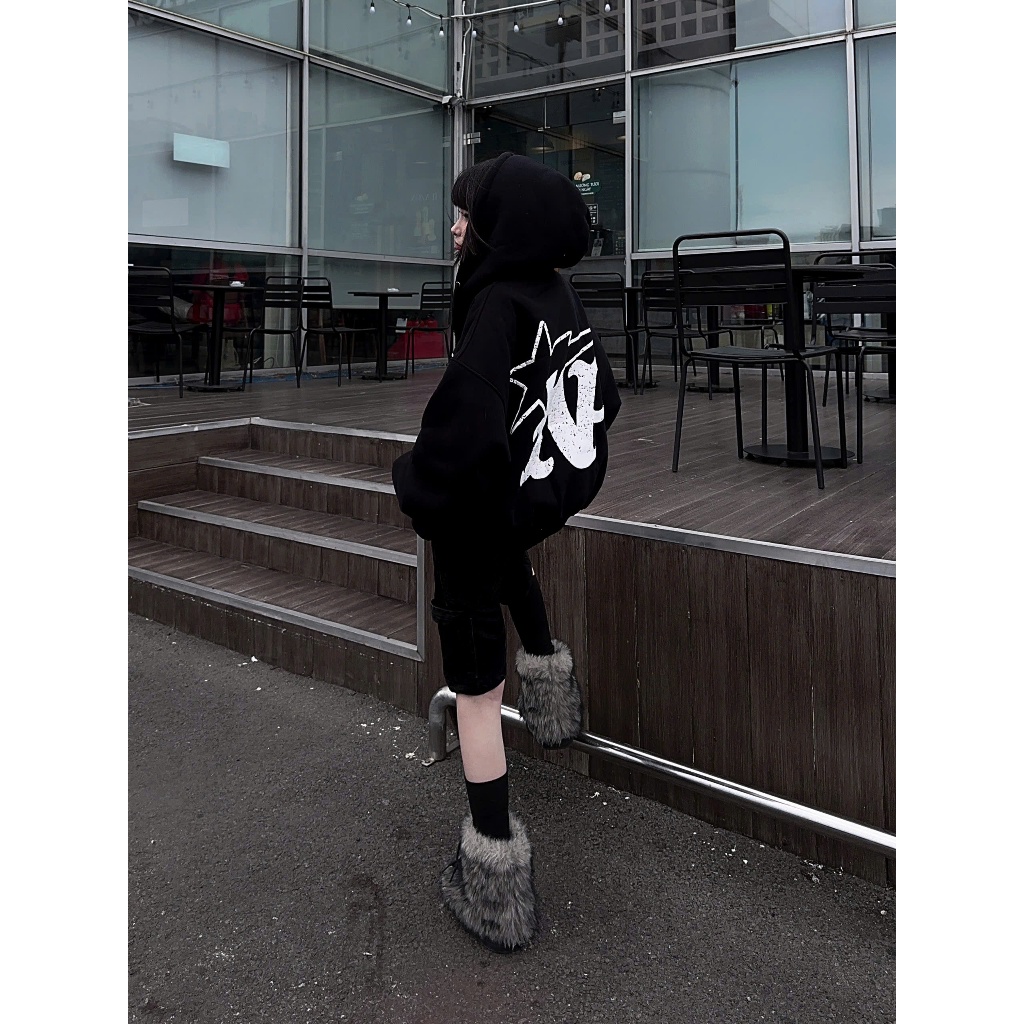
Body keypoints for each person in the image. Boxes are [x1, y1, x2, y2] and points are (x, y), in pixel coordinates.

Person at [391, 152, 621, 953]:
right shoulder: (556, 292)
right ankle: (554, 702)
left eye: (468, 214)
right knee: (512, 567)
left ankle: (493, 879)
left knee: (476, 691)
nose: (456, 228)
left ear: (501, 223)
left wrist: (410, 479)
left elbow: (455, 445)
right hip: (525, 499)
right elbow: (601, 398)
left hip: (477, 511)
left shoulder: (494, 307)